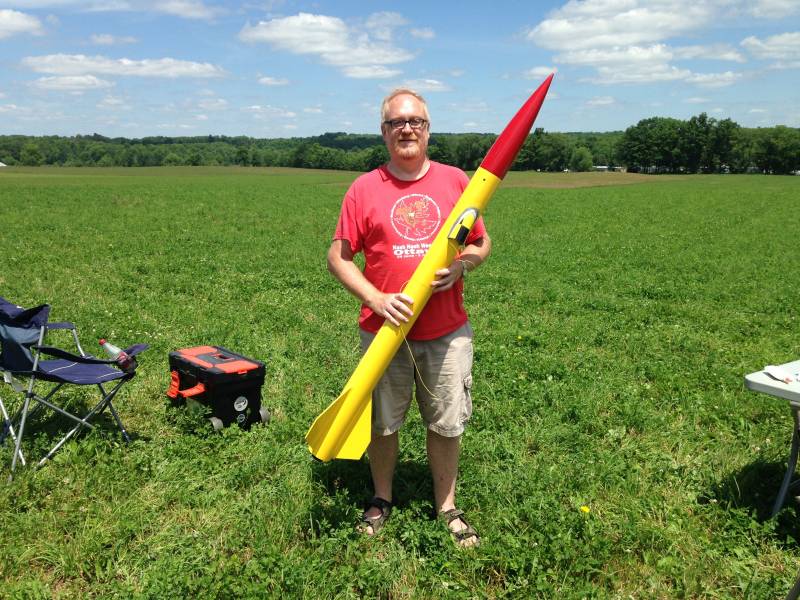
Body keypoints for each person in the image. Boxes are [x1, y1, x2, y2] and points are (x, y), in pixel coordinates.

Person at [327, 88, 491, 548]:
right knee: (383, 423)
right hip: (385, 333)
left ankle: (447, 506)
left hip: (446, 332)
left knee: (446, 422)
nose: (406, 129)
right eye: (396, 122)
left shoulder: (456, 181)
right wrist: (376, 298)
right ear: (383, 133)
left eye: (415, 121)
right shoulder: (364, 189)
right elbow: (338, 258)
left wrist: (462, 266)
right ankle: (381, 498)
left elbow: (481, 242)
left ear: (428, 130)